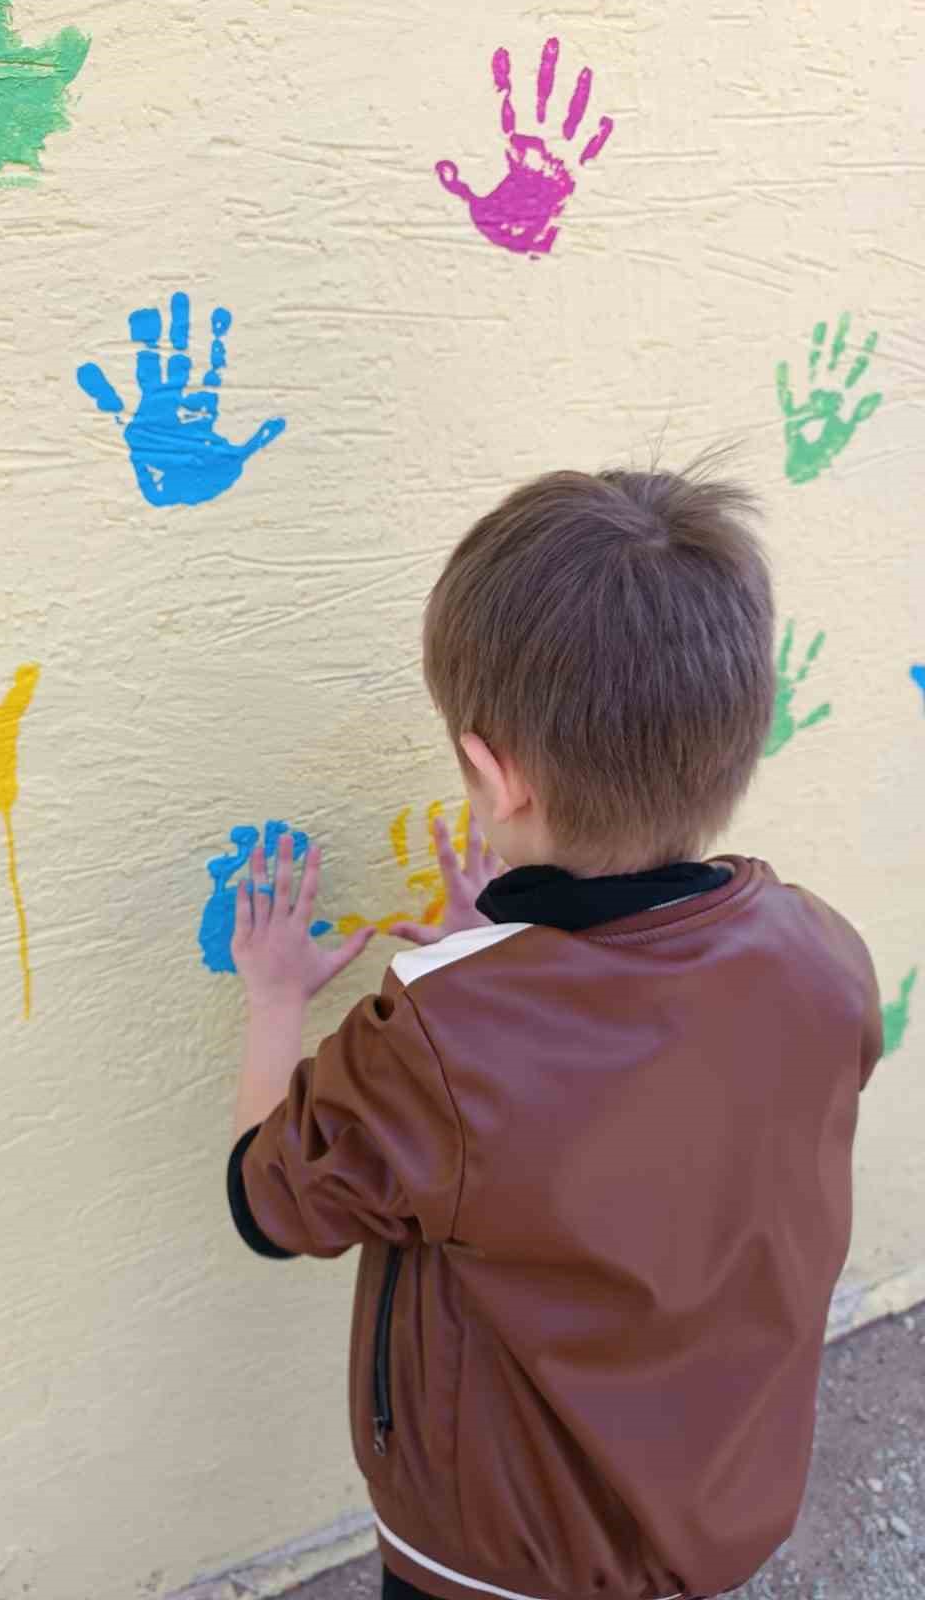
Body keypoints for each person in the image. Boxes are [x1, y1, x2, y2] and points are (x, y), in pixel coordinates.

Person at [225, 460, 884, 1600]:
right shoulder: (824, 953)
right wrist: (500, 949)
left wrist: (278, 996)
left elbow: (267, 1203)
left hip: (492, 1562)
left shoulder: (438, 1037)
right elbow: (646, 1090)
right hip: (711, 1513)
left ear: (493, 775)